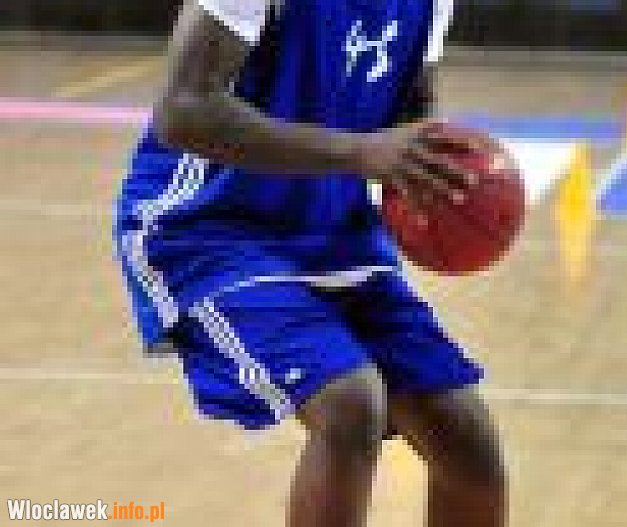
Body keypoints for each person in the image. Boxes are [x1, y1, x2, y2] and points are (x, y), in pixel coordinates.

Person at [114, 1, 508, 525]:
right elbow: (185, 110)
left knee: (468, 445)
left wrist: (440, 180)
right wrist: (360, 153)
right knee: (349, 404)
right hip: (207, 229)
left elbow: (409, 110)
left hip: (335, 232)